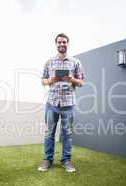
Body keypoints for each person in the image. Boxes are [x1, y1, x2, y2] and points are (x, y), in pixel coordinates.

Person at [38, 33, 85, 172]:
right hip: (51, 103)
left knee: (67, 134)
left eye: (64, 42)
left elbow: (81, 82)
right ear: (56, 44)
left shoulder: (75, 62)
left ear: (67, 44)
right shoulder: (49, 62)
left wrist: (71, 79)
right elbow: (43, 81)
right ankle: (47, 160)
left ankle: (66, 160)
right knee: (49, 133)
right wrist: (50, 81)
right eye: (59, 42)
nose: (62, 44)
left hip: (68, 104)